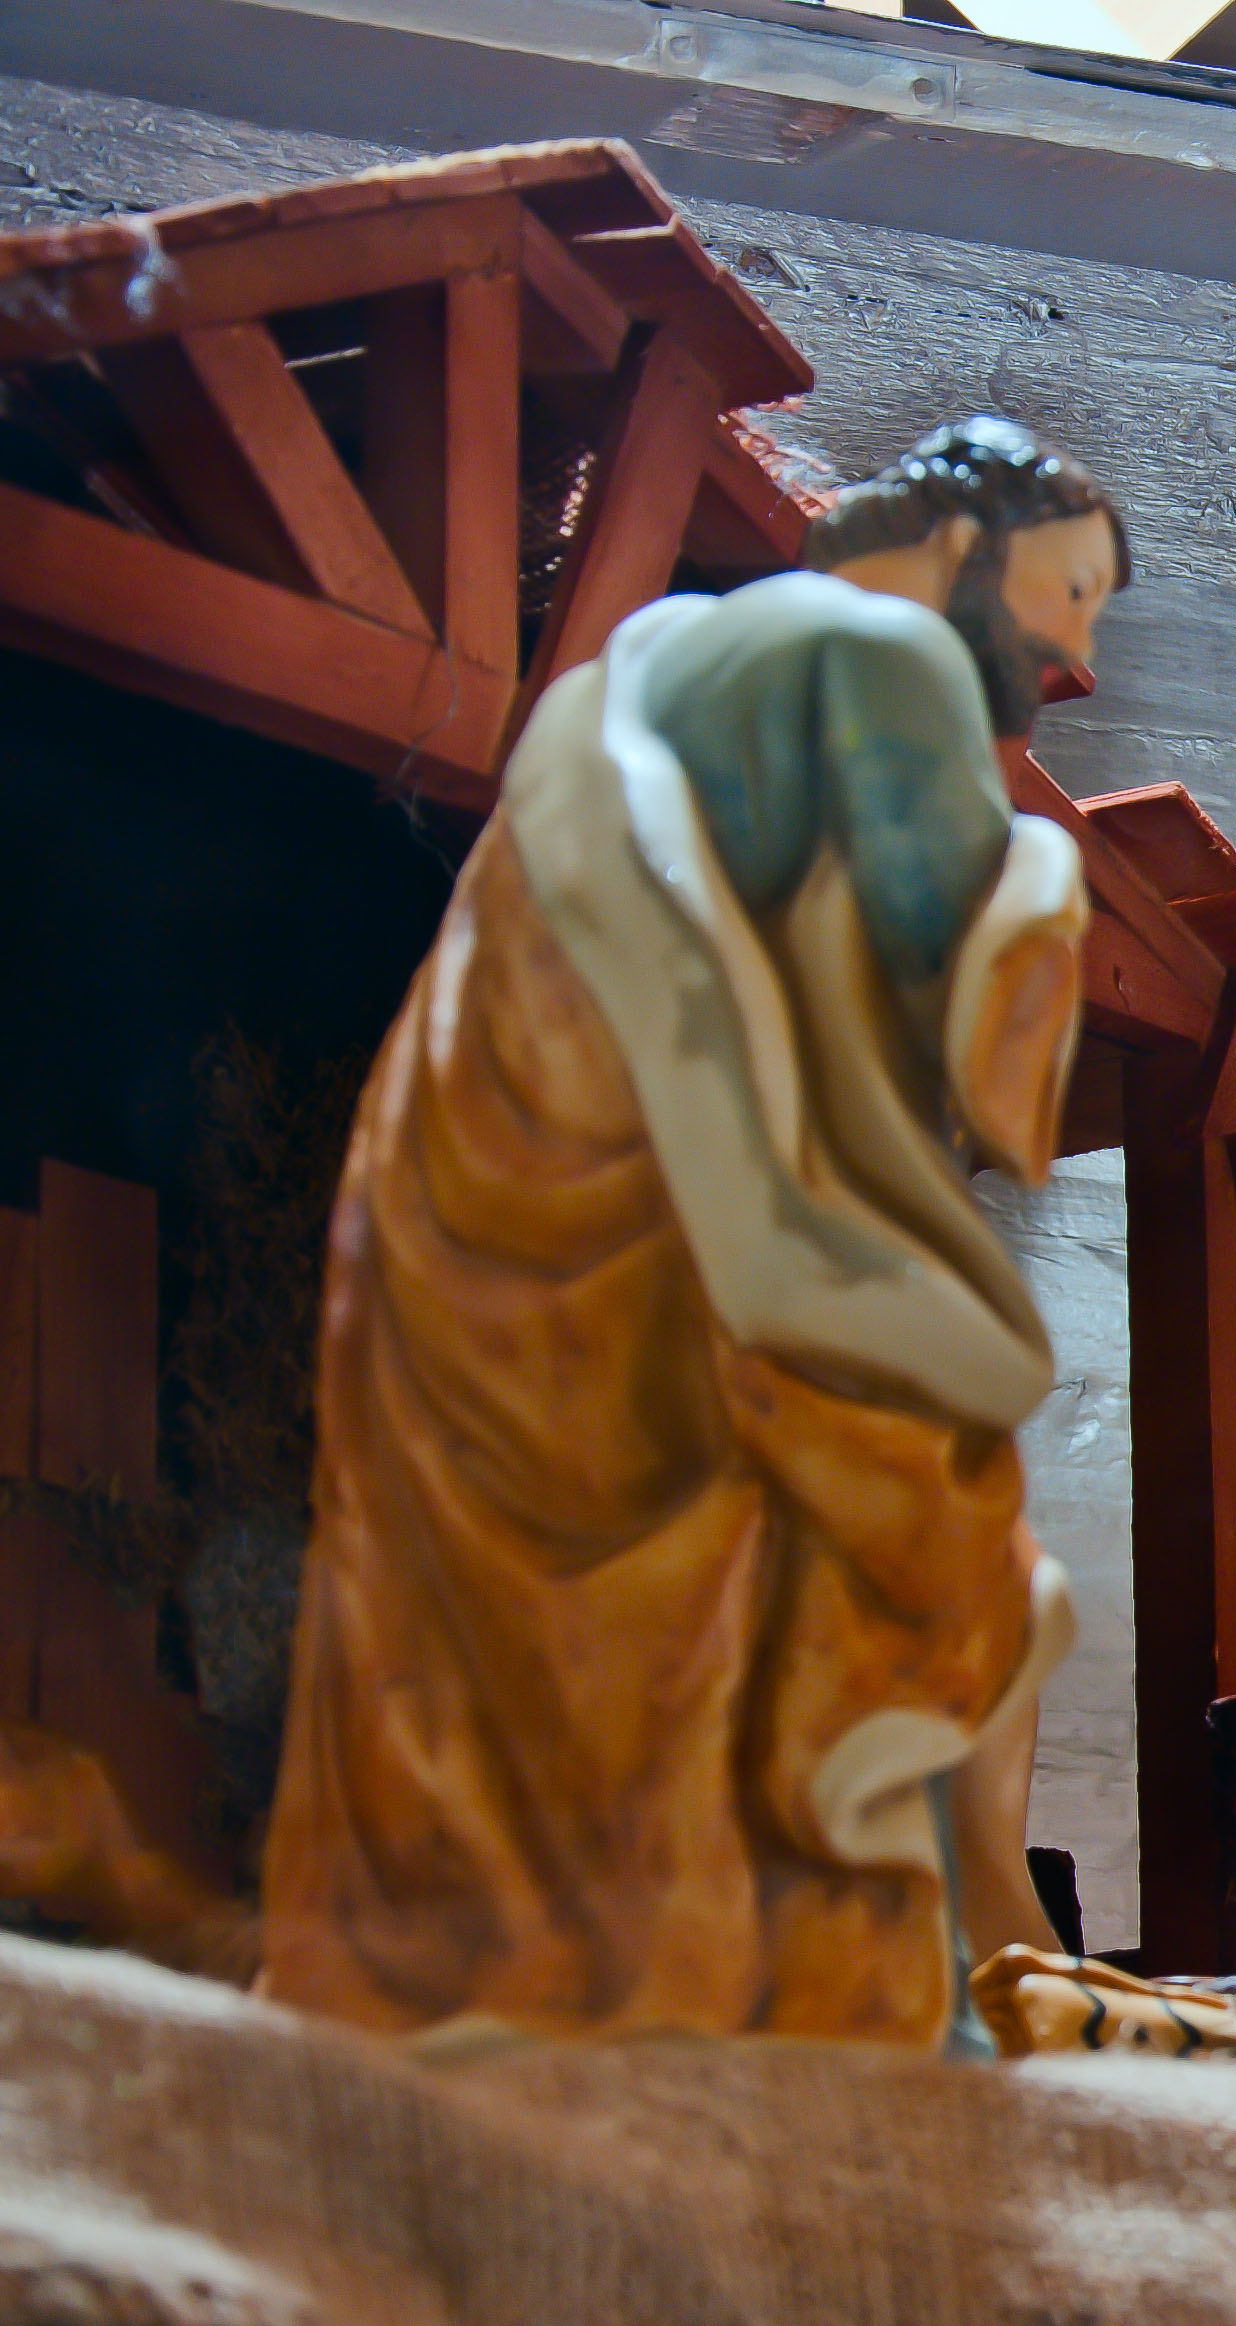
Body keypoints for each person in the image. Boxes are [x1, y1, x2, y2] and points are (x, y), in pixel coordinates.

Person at [262, 420, 1124, 2047]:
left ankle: (468, 1958)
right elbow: (934, 943)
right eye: (1068, 590)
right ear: (964, 543)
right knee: (915, 1504)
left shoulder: (660, 655)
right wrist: (1033, 890)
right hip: (651, 1184)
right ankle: (792, 1967)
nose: (1070, 649)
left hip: (477, 1188)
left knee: (504, 1587)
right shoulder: (886, 657)